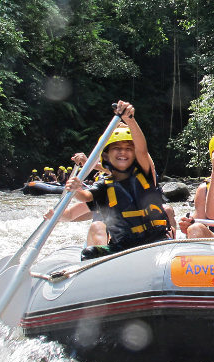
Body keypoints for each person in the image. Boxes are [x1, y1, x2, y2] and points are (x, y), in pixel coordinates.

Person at [59, 101, 172, 260]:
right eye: (117, 148)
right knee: (92, 244)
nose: (123, 152)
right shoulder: (105, 186)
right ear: (106, 155)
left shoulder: (144, 173)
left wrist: (130, 120)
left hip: (156, 239)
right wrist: (76, 190)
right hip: (123, 246)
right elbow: (80, 202)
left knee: (168, 210)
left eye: (127, 148)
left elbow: (141, 150)